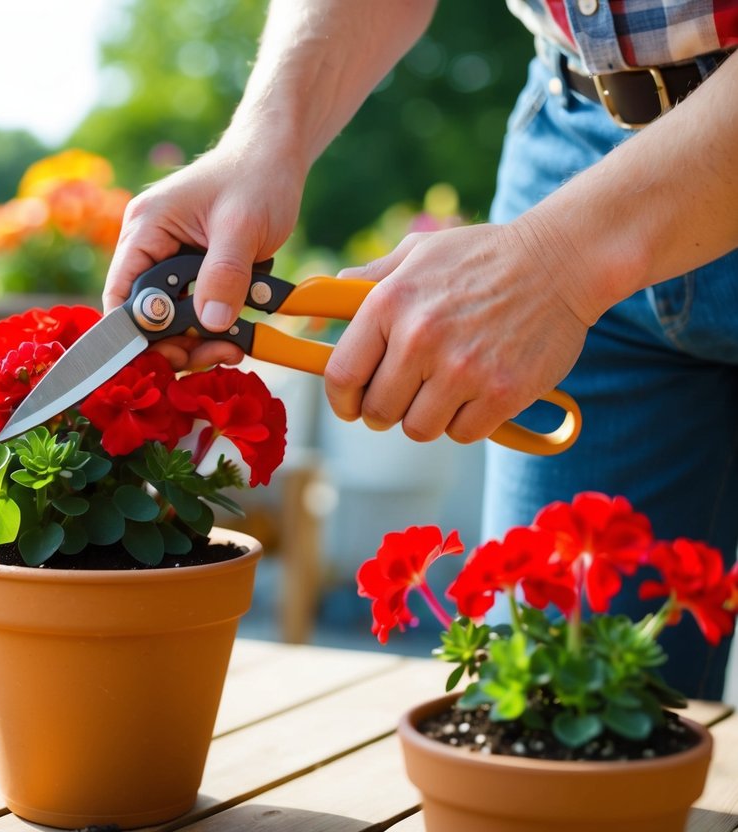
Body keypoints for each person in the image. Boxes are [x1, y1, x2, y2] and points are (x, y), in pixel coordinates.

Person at [101, 0, 738, 700]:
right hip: (575, 137)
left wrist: (555, 260)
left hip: (597, 212)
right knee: (551, 718)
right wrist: (263, 140)